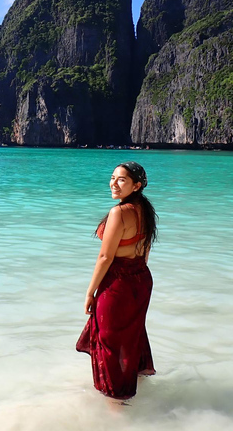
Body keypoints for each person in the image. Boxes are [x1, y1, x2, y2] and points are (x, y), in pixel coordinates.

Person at [76, 161, 158, 399]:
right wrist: (137, 277)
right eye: (113, 177)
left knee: (109, 342)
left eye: (122, 179)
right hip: (140, 278)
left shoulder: (119, 213)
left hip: (118, 283)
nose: (114, 183)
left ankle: (117, 401)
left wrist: (90, 293)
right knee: (132, 334)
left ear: (137, 185)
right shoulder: (145, 209)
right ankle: (140, 387)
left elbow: (105, 256)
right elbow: (146, 249)